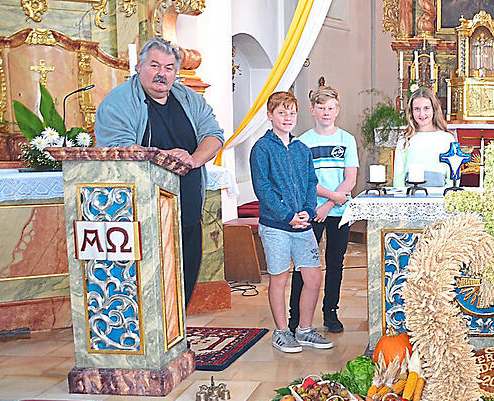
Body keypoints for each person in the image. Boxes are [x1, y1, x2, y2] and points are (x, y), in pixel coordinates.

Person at [95, 37, 224, 307]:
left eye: (168, 68)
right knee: (149, 275)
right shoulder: (118, 101)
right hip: (141, 209)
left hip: (186, 203)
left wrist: (192, 159)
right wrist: (163, 158)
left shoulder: (187, 97)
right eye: (154, 65)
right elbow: (117, 150)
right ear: (139, 67)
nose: (161, 74)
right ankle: (150, 336)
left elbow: (213, 135)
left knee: (186, 265)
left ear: (175, 73)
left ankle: (177, 328)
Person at [249, 91, 333, 353]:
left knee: (313, 277)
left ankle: (305, 330)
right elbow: (262, 188)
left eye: (292, 113)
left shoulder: (300, 149)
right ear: (270, 116)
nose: (287, 117)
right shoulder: (262, 149)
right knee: (280, 278)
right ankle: (282, 332)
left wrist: (308, 210)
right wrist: (287, 215)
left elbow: (310, 182)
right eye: (282, 112)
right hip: (276, 226)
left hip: (303, 224)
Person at [287, 86, 358, 334]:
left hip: (339, 210)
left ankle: (331, 313)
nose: (325, 112)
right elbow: (305, 181)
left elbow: (350, 178)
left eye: (330, 108)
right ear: (312, 110)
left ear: (337, 110)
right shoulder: (303, 142)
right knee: (304, 264)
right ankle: (294, 316)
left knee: (335, 262)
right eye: (321, 108)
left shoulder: (347, 140)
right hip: (311, 211)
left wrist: (329, 205)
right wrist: (326, 202)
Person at [393, 87, 455, 188]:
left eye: (426, 108)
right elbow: (398, 175)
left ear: (434, 110)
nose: (422, 114)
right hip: (411, 195)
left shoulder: (447, 138)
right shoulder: (405, 139)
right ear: (411, 112)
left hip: (439, 194)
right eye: (417, 109)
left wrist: (449, 195)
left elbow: (452, 174)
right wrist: (401, 197)